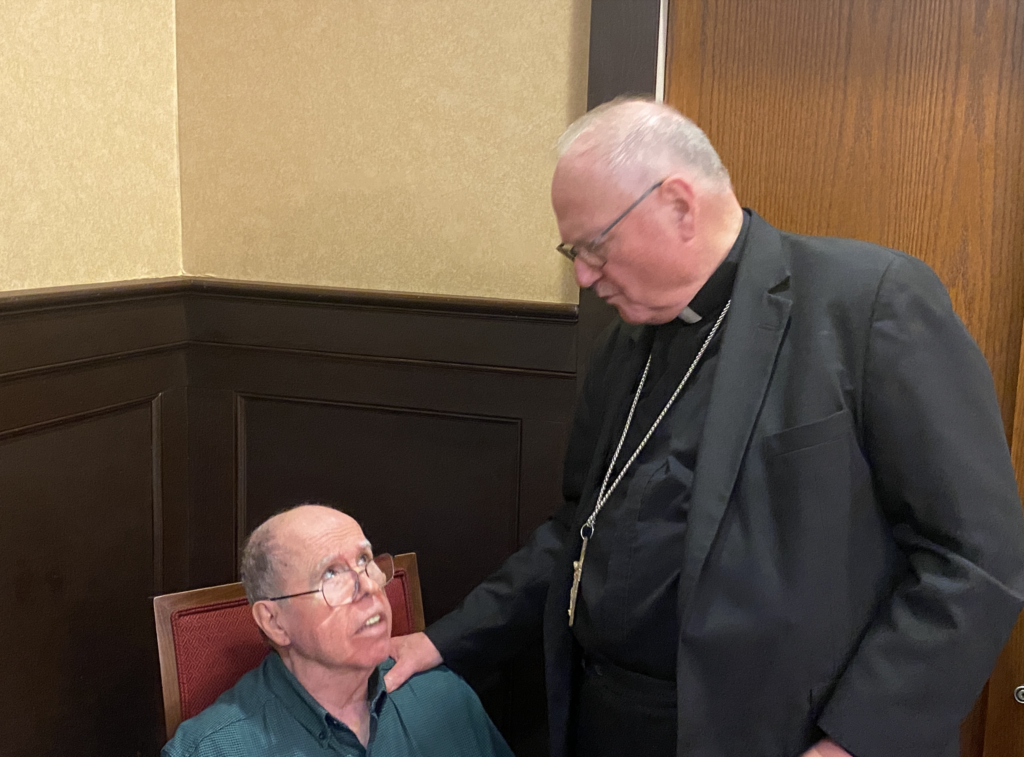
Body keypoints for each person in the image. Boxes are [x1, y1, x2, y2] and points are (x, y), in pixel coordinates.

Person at [385, 98, 1024, 757]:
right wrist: (447, 638)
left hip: (779, 737)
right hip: (601, 720)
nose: (582, 274)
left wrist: (854, 742)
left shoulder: (868, 304)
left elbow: (974, 557)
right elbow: (574, 531)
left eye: (594, 246)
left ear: (679, 205)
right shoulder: (621, 344)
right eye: (571, 250)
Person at [162, 504, 513, 757]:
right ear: (274, 621)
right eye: (330, 574)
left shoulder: (444, 696)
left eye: (364, 561)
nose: (370, 587)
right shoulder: (212, 749)